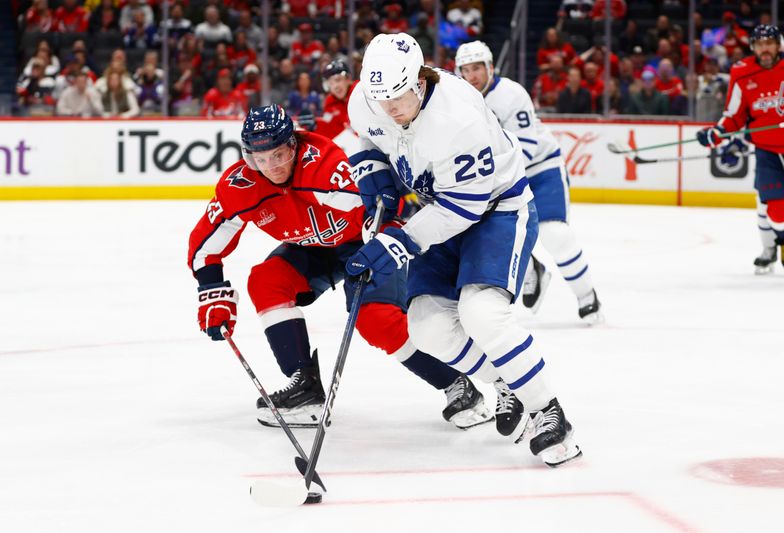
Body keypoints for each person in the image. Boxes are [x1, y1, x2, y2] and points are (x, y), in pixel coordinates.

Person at [345, 33, 582, 467]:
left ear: (419, 80)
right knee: (426, 325)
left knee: (481, 312)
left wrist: (395, 243)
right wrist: (373, 177)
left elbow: (464, 208)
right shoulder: (368, 100)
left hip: (496, 210)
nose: (389, 108)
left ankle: (549, 412)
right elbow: (368, 139)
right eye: (380, 99)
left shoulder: (458, 116)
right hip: (440, 208)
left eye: (398, 97)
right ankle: (506, 381)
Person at [188, 104, 492, 429]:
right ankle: (305, 389)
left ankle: (457, 385)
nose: (271, 167)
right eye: (260, 159)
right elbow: (205, 245)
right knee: (266, 280)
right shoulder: (240, 187)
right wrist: (211, 288)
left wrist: (382, 243)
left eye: (278, 155)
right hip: (314, 248)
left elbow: (384, 208)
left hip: (365, 239)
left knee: (375, 320)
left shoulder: (324, 167)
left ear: (294, 144)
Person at [456, 41, 602, 321]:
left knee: (554, 234)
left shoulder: (511, 94)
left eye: (477, 68)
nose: (472, 75)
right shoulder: (459, 100)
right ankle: (531, 267)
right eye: (466, 69)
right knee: (490, 240)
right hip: (497, 177)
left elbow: (524, 149)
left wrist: (487, 183)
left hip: (539, 170)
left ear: (489, 67)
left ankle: (587, 296)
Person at [696, 25, 784, 274]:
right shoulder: (742, 72)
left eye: (769, 43)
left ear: (779, 45)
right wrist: (716, 134)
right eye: (759, 44)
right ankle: (776, 244)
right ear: (753, 48)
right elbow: (734, 115)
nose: (764, 49)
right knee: (776, 213)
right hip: (767, 150)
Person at [314, 60, 361, 154]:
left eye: (338, 80)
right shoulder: (330, 102)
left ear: (348, 79)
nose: (335, 86)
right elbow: (331, 128)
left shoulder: (360, 91)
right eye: (330, 83)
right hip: (353, 148)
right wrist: (314, 125)